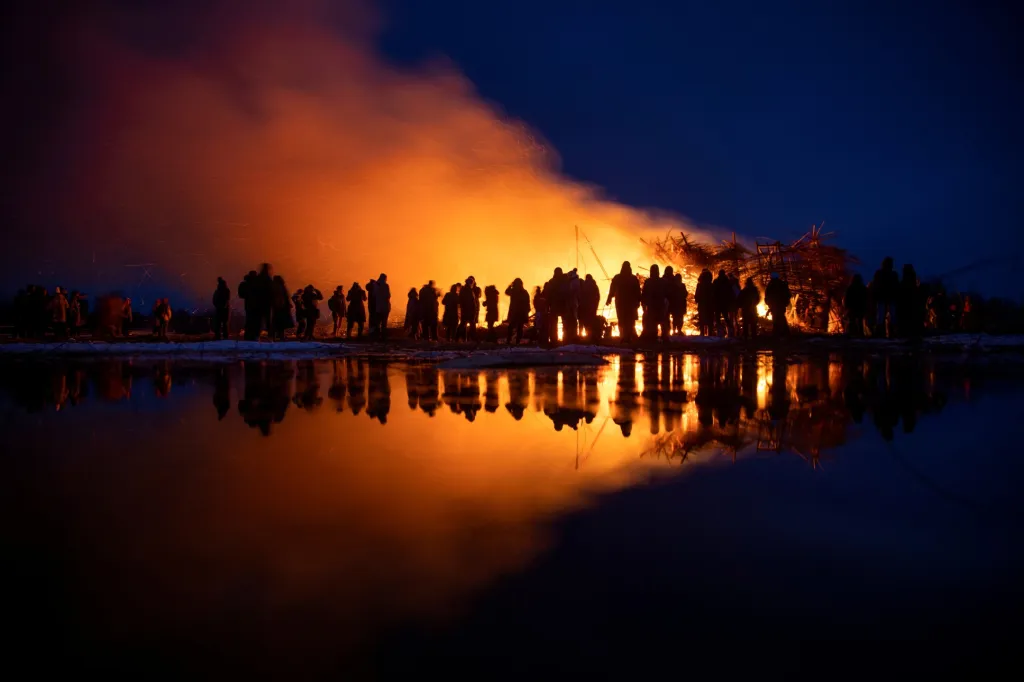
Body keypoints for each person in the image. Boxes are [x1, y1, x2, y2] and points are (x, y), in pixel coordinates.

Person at [606, 261, 641, 343]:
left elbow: (612, 289)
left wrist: (609, 298)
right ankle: (628, 336)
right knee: (629, 320)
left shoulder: (618, 278)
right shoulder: (633, 279)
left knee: (624, 320)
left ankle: (627, 336)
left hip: (622, 303)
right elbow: (638, 291)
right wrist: (639, 300)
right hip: (628, 304)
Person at [871, 256, 899, 338]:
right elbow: (896, 286)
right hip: (887, 297)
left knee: (882, 316)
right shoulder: (893, 274)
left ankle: (882, 333)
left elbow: (875, 285)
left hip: (884, 297)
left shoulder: (880, 273)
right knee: (890, 316)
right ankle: (890, 332)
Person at [641, 264, 669, 341]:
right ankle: (664, 337)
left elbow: (644, 294)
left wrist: (644, 304)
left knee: (653, 322)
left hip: (653, 306)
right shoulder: (663, 281)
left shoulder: (648, 282)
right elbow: (667, 294)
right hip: (659, 305)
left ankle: (654, 337)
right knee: (662, 321)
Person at [764, 272, 791, 337]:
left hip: (775, 305)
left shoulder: (771, 285)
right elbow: (788, 295)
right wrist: (785, 303)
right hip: (780, 305)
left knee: (776, 319)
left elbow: (767, 295)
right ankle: (785, 332)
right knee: (781, 317)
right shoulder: (782, 284)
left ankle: (777, 333)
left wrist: (769, 304)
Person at [505, 278, 531, 345]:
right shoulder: (521, 292)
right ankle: (515, 341)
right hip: (518, 312)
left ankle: (512, 340)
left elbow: (507, 292)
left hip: (518, 312)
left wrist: (510, 285)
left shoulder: (515, 291)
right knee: (517, 327)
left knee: (514, 327)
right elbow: (507, 292)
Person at [899, 264, 922, 338]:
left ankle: (907, 331)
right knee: (911, 316)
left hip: (907, 301)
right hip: (911, 301)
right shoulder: (912, 280)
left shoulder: (905, 281)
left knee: (907, 316)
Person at [270, 275, 293, 341]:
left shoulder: (273, 287)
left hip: (276, 307)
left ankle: (274, 336)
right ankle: (281, 336)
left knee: (276, 322)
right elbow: (284, 297)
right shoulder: (281, 287)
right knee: (281, 323)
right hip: (282, 307)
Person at [713, 269, 735, 337]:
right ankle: (730, 332)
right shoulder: (727, 282)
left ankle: (720, 333)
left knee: (718, 318)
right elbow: (730, 293)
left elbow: (713, 292)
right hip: (724, 303)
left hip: (718, 303)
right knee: (726, 317)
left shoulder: (716, 281)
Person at [238, 270, 259, 340]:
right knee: (255, 321)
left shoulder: (245, 283)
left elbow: (241, 294)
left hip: (248, 304)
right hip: (256, 305)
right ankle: (254, 335)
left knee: (249, 320)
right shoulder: (257, 283)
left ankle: (248, 335)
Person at [579, 273, 601, 340]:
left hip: (586, 306)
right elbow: (598, 296)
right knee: (592, 319)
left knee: (586, 320)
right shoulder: (595, 285)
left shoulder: (584, 285)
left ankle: (587, 334)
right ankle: (593, 334)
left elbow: (582, 296)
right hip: (593, 305)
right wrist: (596, 304)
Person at [694, 269, 714, 336]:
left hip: (702, 304)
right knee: (710, 319)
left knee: (702, 319)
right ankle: (710, 334)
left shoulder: (700, 285)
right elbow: (714, 295)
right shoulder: (711, 285)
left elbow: (697, 294)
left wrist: (697, 300)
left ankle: (702, 333)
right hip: (710, 305)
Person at [457, 277, 477, 342]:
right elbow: (469, 301)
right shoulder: (467, 290)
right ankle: (473, 338)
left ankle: (458, 337)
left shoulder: (466, 290)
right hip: (468, 310)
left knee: (465, 324)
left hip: (467, 310)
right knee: (469, 324)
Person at [374, 273, 392, 339]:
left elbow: (374, 295)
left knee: (377, 322)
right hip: (385, 307)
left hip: (378, 307)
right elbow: (388, 295)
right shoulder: (386, 285)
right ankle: (383, 336)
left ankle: (377, 336)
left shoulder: (375, 285)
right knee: (384, 323)